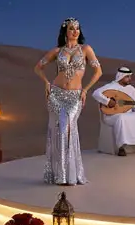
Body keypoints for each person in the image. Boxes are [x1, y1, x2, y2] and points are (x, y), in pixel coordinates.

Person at [34, 17, 102, 185]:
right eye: (71, 28)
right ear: (65, 31)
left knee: (67, 128)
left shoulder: (86, 49)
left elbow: (98, 72)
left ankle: (69, 175)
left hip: (75, 96)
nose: (75, 31)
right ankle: (60, 175)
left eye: (77, 28)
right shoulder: (58, 51)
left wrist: (85, 89)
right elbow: (38, 67)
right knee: (58, 131)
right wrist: (46, 83)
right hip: (56, 94)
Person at [92, 67, 135, 156]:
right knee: (122, 118)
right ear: (121, 76)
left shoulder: (131, 89)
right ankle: (121, 147)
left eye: (130, 77)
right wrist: (108, 101)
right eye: (127, 77)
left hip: (128, 114)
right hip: (112, 115)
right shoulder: (111, 86)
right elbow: (95, 93)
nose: (130, 79)